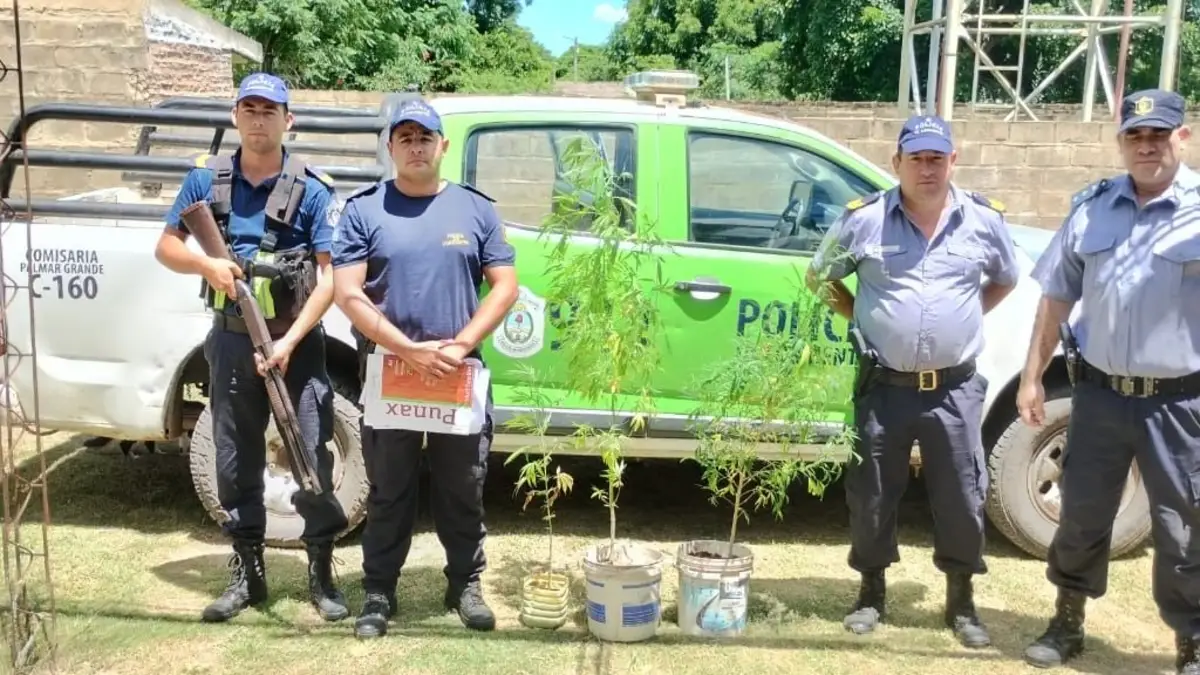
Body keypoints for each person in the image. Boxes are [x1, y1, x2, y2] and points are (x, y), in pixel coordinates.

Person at [806, 114, 1021, 648]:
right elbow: (819, 276)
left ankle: (961, 600)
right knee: (872, 493)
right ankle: (871, 592)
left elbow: (1006, 279)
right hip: (885, 385)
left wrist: (962, 319)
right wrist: (861, 316)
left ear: (953, 161)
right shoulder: (864, 220)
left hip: (954, 388)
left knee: (963, 495)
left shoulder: (982, 220)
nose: (927, 169)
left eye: (937, 158)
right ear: (896, 162)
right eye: (917, 159)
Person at [154, 72, 349, 624]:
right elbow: (166, 247)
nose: (259, 119)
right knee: (235, 457)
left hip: (296, 344)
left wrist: (289, 341)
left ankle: (321, 571)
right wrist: (207, 265)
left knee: (310, 453)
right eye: (250, 109)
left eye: (270, 110)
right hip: (232, 342)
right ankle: (247, 573)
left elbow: (330, 277)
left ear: (288, 120)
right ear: (235, 116)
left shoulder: (312, 188)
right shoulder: (204, 179)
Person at [1017, 88, 1200, 673]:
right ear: (1120, 142)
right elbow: (1055, 298)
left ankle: (1191, 641)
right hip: (1098, 397)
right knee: (1081, 516)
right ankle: (1067, 622)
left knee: (1183, 526)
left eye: (1158, 134)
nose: (1146, 146)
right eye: (1134, 136)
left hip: (1179, 403)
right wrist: (1031, 378)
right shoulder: (1091, 209)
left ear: (1182, 137)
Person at [330, 98, 519, 638]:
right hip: (391, 370)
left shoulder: (475, 209)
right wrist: (408, 350)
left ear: (443, 145)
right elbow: (348, 293)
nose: (416, 146)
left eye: (425, 137)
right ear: (391, 147)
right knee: (389, 488)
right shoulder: (365, 210)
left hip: (457, 371)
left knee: (462, 485)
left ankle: (465, 584)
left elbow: (505, 287)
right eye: (405, 137)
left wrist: (461, 345)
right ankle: (378, 591)